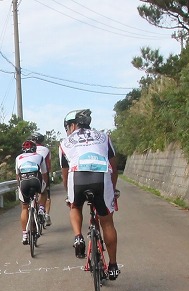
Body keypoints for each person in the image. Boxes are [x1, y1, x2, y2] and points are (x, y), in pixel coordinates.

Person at [59, 109, 120, 280]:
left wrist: (69, 196)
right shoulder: (104, 137)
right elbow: (114, 168)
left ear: (73, 126)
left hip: (77, 177)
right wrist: (112, 190)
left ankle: (78, 237)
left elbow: (65, 175)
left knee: (75, 206)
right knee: (107, 222)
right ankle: (113, 265)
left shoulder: (65, 142)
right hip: (101, 176)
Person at [15, 140, 48, 245]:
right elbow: (44, 174)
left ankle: (24, 235)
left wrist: (20, 187)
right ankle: (42, 209)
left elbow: (17, 176)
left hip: (23, 182)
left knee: (24, 207)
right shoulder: (39, 156)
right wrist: (45, 185)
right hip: (36, 181)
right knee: (44, 192)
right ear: (34, 148)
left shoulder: (18, 158)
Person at [30, 133, 52, 227]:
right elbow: (48, 165)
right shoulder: (46, 149)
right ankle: (45, 214)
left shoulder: (27, 150)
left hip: (28, 175)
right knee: (45, 194)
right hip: (42, 174)